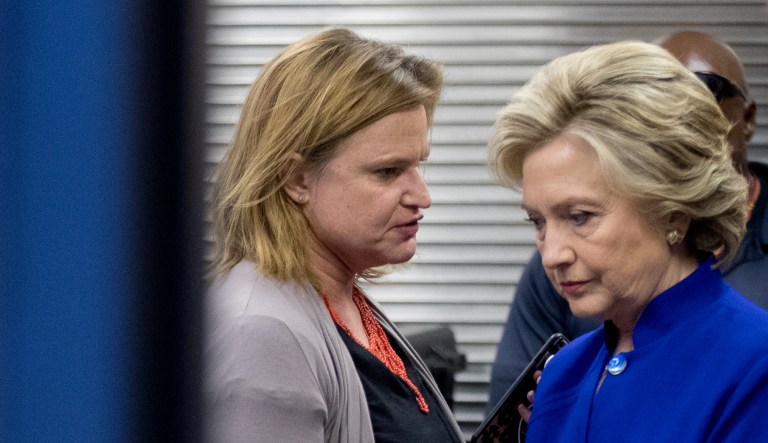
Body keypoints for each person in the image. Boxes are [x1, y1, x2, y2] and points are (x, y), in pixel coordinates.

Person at [486, 40, 768, 441]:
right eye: (538, 221)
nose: (551, 254)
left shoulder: (753, 367)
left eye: (580, 217)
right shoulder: (561, 372)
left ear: (673, 214)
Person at [203, 28, 464, 442]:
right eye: (387, 172)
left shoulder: (341, 298)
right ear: (296, 178)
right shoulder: (262, 331)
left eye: (419, 165)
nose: (422, 196)